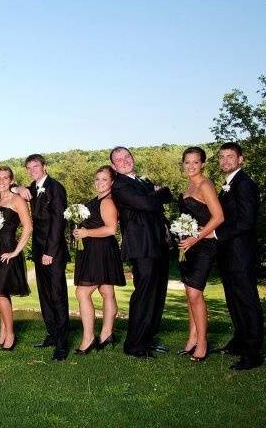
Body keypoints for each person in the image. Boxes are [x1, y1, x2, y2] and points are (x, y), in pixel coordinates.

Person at [110, 146, 172, 358]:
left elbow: (166, 197)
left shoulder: (141, 181)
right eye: (119, 159)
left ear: (132, 158)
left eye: (127, 156)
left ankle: (148, 338)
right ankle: (134, 344)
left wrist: (158, 194)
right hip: (141, 246)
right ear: (114, 166)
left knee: (157, 293)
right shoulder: (119, 185)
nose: (124, 160)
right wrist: (158, 193)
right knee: (144, 294)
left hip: (158, 244)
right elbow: (147, 204)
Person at [213, 142, 264, 370]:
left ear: (240, 159)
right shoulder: (228, 184)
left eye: (230, 157)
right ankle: (239, 342)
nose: (225, 161)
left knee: (247, 302)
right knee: (234, 301)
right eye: (222, 157)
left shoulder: (244, 184)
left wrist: (214, 233)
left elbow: (246, 222)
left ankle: (252, 353)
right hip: (228, 254)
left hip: (241, 254)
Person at [16, 154, 70, 361]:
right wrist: (17, 188)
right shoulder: (33, 186)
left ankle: (62, 344)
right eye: (28, 167)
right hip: (38, 252)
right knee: (45, 295)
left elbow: (58, 223)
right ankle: (52, 334)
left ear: (44, 166)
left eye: (35, 166)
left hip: (52, 252)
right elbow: (16, 189)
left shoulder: (55, 187)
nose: (32, 170)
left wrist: (50, 252)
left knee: (57, 295)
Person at [174, 147, 224, 362]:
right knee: (189, 294)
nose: (191, 166)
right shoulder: (189, 184)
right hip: (188, 246)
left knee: (195, 294)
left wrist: (197, 237)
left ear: (202, 164)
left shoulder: (205, 184)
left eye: (196, 162)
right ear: (183, 164)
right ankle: (192, 337)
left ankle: (202, 342)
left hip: (203, 245)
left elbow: (219, 217)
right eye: (187, 162)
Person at [71, 166, 126, 355]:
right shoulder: (97, 200)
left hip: (100, 250)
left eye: (104, 179)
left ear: (112, 182)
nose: (99, 183)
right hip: (95, 250)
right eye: (97, 179)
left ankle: (88, 338)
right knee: (106, 290)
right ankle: (106, 334)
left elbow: (111, 229)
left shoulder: (108, 202)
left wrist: (86, 232)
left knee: (82, 293)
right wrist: (80, 231)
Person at [0, 166, 31, 351]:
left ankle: (10, 334)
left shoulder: (17, 199)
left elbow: (28, 227)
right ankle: (3, 331)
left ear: (11, 180)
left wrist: (16, 251)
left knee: (0, 292)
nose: (1, 181)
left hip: (8, 250)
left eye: (5, 178)